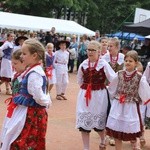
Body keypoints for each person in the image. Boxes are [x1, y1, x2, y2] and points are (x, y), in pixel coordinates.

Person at [1, 39, 51, 150]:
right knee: (17, 137)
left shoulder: (35, 73)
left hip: (31, 113)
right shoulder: (30, 70)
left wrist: (46, 101)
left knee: (24, 140)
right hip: (26, 111)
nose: (22, 56)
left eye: (24, 53)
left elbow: (38, 96)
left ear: (34, 55)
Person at [106, 50, 150, 150]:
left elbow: (145, 91)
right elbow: (113, 86)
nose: (128, 63)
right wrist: (112, 96)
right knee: (116, 131)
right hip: (118, 105)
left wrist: (144, 100)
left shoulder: (139, 77)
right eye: (126, 60)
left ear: (136, 63)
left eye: (130, 61)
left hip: (131, 107)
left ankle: (136, 146)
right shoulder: (119, 74)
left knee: (132, 131)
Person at [76, 40, 115, 150]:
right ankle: (86, 148)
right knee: (84, 124)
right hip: (85, 96)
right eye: (89, 50)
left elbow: (113, 78)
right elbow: (79, 80)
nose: (90, 52)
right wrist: (87, 89)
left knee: (99, 124)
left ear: (98, 52)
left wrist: (110, 91)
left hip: (99, 96)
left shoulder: (103, 64)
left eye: (93, 50)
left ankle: (103, 139)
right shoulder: (83, 64)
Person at [0, 49, 26, 149]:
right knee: (7, 128)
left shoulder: (26, 77)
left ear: (24, 62)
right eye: (12, 63)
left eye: (15, 63)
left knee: (14, 131)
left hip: (21, 109)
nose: (13, 66)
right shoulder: (16, 74)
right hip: (14, 107)